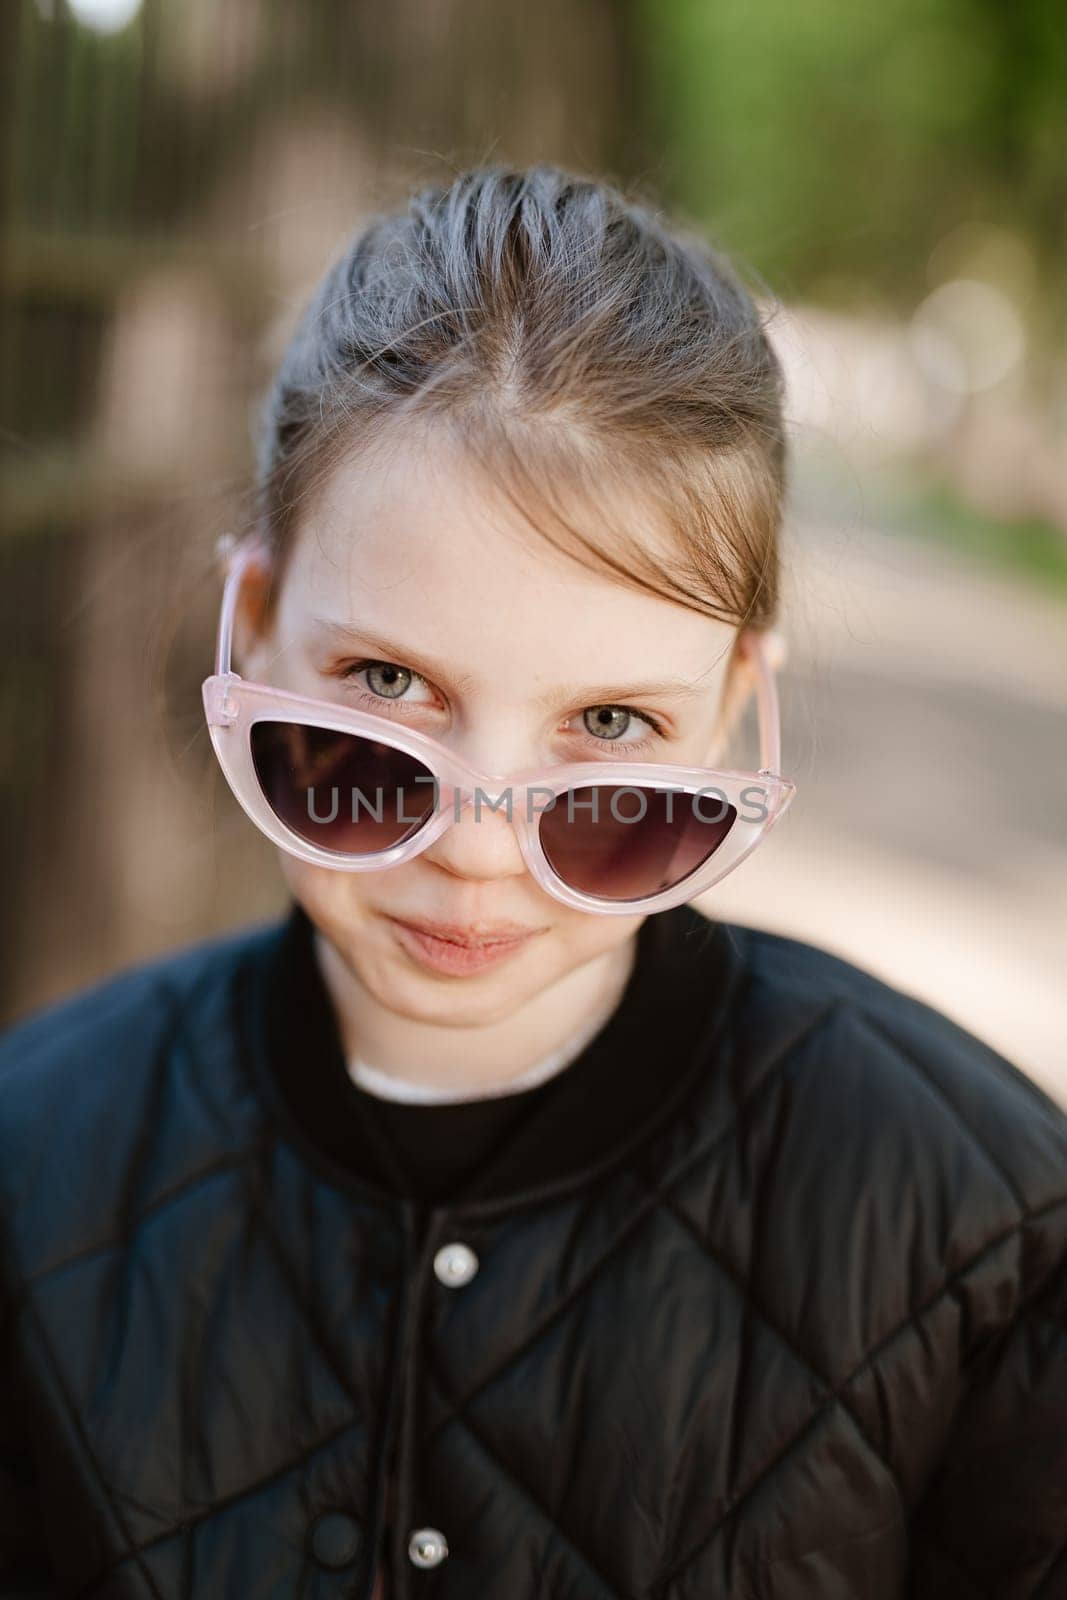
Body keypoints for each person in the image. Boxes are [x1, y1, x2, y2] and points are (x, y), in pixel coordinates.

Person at [1, 165, 1065, 1600]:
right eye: (386, 686)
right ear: (251, 626)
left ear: (735, 706)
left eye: (611, 728)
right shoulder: (35, 1159)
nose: (479, 846)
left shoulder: (980, 1232)